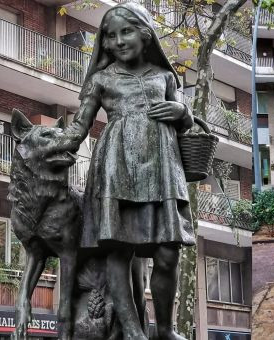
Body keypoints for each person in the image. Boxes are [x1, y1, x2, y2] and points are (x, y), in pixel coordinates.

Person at [62, 3, 194, 340]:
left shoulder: (165, 76)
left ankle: (165, 329)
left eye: (127, 31)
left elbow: (186, 121)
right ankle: (134, 331)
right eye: (111, 35)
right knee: (118, 250)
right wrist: (53, 148)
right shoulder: (101, 79)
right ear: (104, 43)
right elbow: (80, 126)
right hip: (116, 166)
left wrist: (181, 110)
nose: (119, 40)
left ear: (145, 35)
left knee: (167, 253)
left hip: (162, 168)